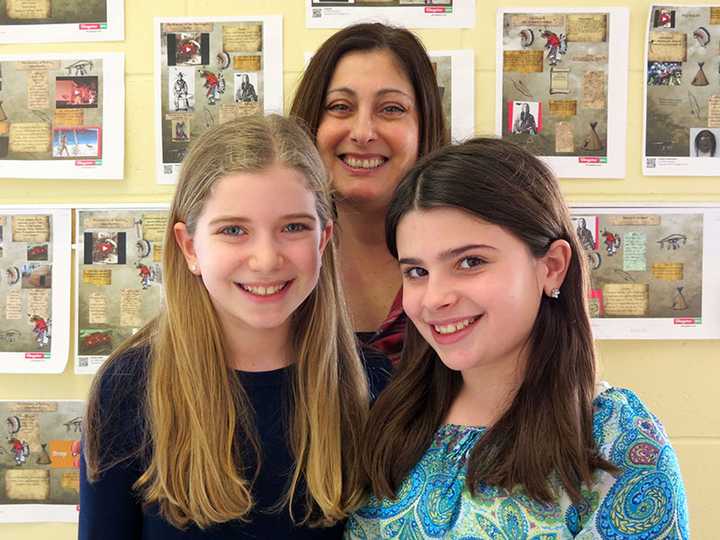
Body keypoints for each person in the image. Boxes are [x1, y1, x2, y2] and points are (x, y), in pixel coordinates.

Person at [348, 138, 689, 538]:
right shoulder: (392, 416)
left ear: (552, 267)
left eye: (470, 262)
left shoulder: (616, 440)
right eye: (417, 272)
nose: (435, 299)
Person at [80, 115, 391, 539]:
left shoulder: (373, 384)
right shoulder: (127, 388)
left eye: (293, 227)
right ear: (189, 247)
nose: (266, 259)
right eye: (233, 230)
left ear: (323, 240)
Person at [290, 22, 448, 363]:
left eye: (391, 109)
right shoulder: (274, 261)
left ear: (424, 126)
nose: (363, 132)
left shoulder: (472, 258)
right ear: (311, 124)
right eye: (340, 107)